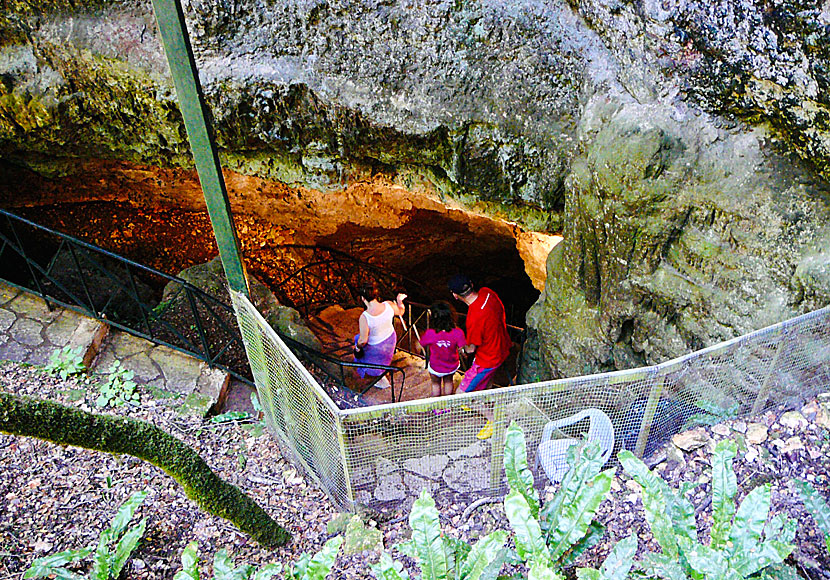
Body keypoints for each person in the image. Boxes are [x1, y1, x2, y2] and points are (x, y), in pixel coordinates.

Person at [448, 273, 511, 438]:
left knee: (461, 395)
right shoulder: (488, 293)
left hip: (487, 358)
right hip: (502, 347)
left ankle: (494, 421)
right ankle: (484, 400)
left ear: (455, 295)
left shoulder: (474, 317)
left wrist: (461, 347)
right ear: (471, 283)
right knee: (486, 381)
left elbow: (471, 349)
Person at [353, 281, 406, 389]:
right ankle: (382, 368)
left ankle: (377, 374)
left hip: (377, 348)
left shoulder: (365, 317)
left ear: (363, 298)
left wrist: (357, 347)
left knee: (358, 342)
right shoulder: (389, 305)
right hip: (390, 340)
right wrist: (399, 301)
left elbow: (363, 341)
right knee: (357, 338)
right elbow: (401, 311)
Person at [417, 301, 466, 398]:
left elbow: (419, 345)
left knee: (436, 384)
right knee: (448, 381)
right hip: (451, 365)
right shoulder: (458, 332)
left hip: (436, 366)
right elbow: (463, 348)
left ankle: (437, 407)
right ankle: (447, 405)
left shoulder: (430, 333)